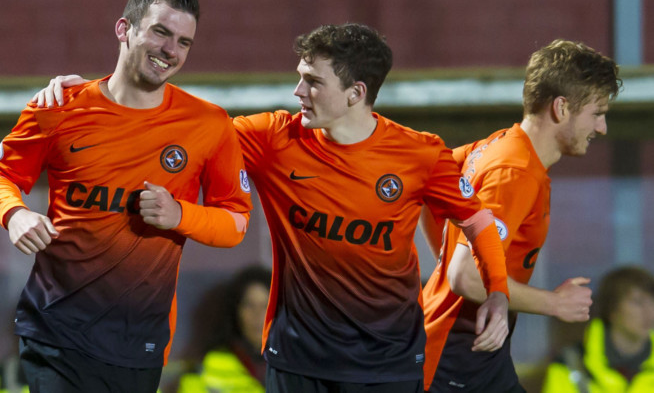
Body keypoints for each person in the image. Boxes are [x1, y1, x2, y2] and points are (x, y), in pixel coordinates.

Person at [32, 22, 511, 393]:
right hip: (294, 361)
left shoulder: (421, 154)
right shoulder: (273, 138)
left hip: (385, 365)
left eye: (312, 82)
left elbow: (477, 221)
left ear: (356, 93)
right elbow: (186, 126)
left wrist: (497, 292)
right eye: (299, 78)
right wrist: (105, 92)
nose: (297, 91)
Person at [0, 0, 252, 392]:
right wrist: (13, 213)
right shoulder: (59, 106)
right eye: (160, 32)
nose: (170, 50)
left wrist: (180, 214)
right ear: (124, 29)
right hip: (55, 329)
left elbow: (235, 223)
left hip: (138, 337)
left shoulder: (210, 125)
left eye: (183, 42)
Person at [420, 39, 622, 392]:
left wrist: (448, 253)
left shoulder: (494, 147)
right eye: (597, 113)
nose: (602, 127)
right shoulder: (516, 171)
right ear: (561, 108)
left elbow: (428, 183)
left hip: (473, 348)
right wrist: (554, 303)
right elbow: (466, 277)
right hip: (454, 353)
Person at [541, 266, 654, 393]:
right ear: (612, 309)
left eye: (652, 301)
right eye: (637, 302)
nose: (649, 311)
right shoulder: (571, 364)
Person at [173, 265, 271, 393]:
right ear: (235, 311)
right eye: (249, 305)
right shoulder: (208, 368)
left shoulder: (296, 365)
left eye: (265, 305)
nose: (257, 315)